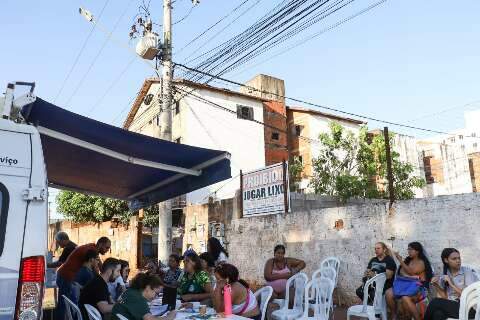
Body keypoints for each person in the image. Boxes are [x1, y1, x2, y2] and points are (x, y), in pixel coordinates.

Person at [55, 237, 111, 319]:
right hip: (66, 276)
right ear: (100, 244)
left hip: (66, 275)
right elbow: (97, 269)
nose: (107, 250)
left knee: (65, 304)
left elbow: (100, 267)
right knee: (65, 305)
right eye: (106, 247)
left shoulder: (92, 248)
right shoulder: (91, 251)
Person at [425, 248, 478, 320]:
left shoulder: (467, 272)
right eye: (454, 259)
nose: (458, 261)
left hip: (469, 308)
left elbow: (469, 296)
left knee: (435, 302)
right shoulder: (446, 274)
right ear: (446, 260)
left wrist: (451, 284)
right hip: (453, 305)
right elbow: (445, 297)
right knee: (438, 314)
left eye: (459, 258)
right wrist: (436, 285)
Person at [385, 242, 433, 320]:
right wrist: (409, 276)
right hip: (407, 284)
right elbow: (401, 271)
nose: (409, 251)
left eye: (411, 249)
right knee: (388, 293)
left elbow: (411, 272)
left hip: (419, 287)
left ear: (417, 251)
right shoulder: (408, 260)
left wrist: (400, 260)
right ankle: (394, 313)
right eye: (408, 249)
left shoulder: (421, 262)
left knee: (405, 297)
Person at [112, 273, 177, 320]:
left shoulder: (132, 291)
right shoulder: (138, 298)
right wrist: (169, 317)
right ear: (148, 287)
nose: (156, 297)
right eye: (156, 293)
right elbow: (149, 319)